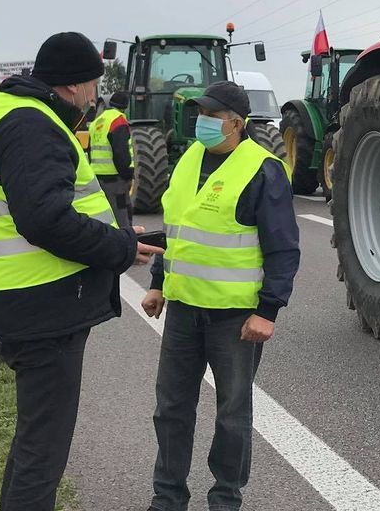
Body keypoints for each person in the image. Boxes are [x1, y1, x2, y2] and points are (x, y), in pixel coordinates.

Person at [0, 31, 160, 511]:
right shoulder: (31, 124)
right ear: (74, 85)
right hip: (44, 308)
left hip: (26, 302)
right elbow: (45, 219)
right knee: (43, 455)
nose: (96, 94)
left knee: (34, 443)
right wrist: (117, 247)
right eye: (93, 83)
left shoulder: (6, 114)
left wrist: (117, 236)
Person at [140, 80, 300, 511]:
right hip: (184, 310)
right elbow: (178, 228)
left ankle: (225, 498)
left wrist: (268, 310)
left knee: (232, 414)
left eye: (212, 116)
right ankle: (168, 497)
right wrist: (158, 282)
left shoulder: (262, 169)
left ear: (237, 123)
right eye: (201, 114)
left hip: (236, 318)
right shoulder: (189, 159)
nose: (202, 122)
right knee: (171, 408)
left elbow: (283, 248)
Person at [88, 90, 135, 229]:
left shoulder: (97, 122)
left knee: (104, 216)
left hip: (97, 176)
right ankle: (126, 244)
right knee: (121, 216)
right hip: (115, 179)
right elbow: (121, 151)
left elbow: (90, 151)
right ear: (125, 106)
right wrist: (127, 174)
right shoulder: (118, 120)